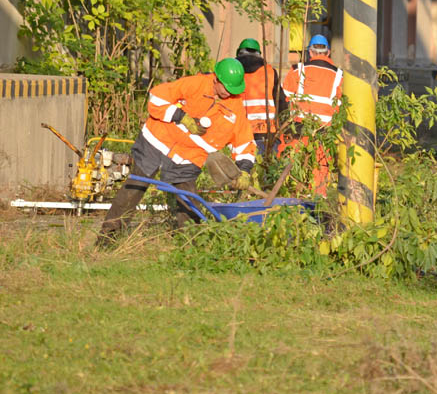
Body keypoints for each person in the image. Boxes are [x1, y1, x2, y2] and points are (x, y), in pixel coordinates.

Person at [98, 59, 256, 242]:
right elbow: (157, 98)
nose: (229, 93)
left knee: (188, 201)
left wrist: (244, 169)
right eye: (226, 87)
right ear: (216, 79)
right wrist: (181, 117)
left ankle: (190, 247)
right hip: (155, 142)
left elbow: (244, 141)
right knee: (134, 189)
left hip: (189, 157)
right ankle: (107, 240)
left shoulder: (235, 108)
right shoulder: (194, 84)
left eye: (234, 90)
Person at [280, 34, 343, 195]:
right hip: (324, 132)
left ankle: (290, 201)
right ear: (328, 52)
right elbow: (341, 107)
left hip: (298, 129)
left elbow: (283, 100)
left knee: (292, 167)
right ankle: (317, 205)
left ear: (310, 53)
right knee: (320, 170)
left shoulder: (297, 71)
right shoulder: (339, 76)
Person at [235, 38, 286, 155]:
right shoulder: (270, 72)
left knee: (242, 169)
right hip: (267, 131)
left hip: (240, 132)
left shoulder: (233, 71)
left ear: (239, 53)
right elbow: (281, 103)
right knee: (267, 170)